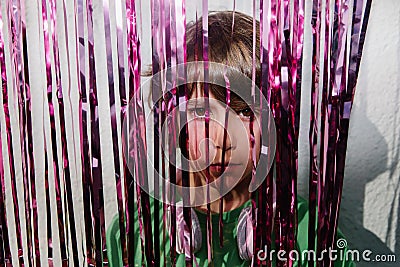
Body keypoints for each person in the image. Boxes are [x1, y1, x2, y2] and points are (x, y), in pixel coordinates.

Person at [107, 11, 355, 266]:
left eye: (245, 111)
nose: (221, 140)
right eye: (201, 111)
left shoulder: (313, 238)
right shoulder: (132, 235)